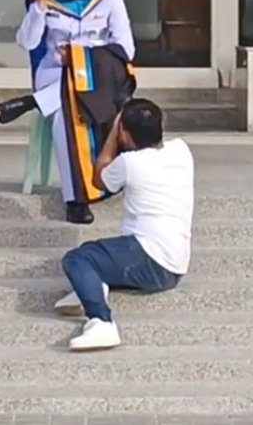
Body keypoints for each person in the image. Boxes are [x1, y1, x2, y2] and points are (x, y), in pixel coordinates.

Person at [0, 0, 136, 224]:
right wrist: (41, 4)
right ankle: (76, 200)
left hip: (101, 76)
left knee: (68, 102)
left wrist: (81, 57)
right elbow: (27, 42)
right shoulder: (42, 2)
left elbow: (126, 48)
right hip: (57, 75)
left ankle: (34, 102)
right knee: (65, 112)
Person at [55, 98, 194, 351]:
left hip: (149, 260)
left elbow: (99, 178)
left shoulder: (129, 163)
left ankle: (101, 321)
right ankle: (93, 286)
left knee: (77, 259)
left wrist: (112, 136)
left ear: (125, 134)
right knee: (94, 253)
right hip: (176, 264)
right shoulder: (182, 151)